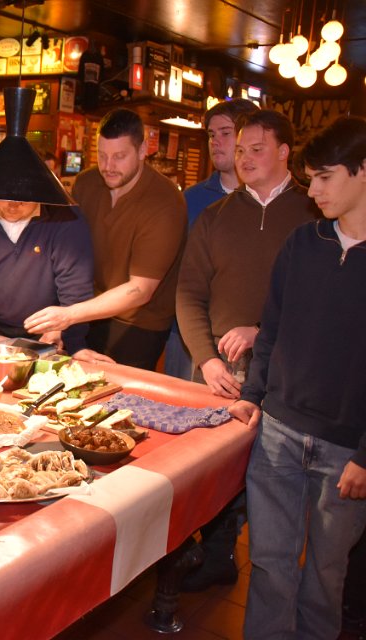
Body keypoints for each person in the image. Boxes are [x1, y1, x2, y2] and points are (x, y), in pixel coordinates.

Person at [229, 115, 366, 639]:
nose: (315, 190)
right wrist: (253, 396)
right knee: (270, 567)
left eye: (326, 177)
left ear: (362, 171)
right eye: (312, 179)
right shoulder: (302, 243)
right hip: (278, 433)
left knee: (326, 577)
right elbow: (271, 329)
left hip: (346, 450)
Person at [175, 109, 317, 592]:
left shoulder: (314, 214)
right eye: (240, 150)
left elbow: (318, 300)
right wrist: (207, 358)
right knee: (211, 467)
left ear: (284, 152)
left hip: (287, 366)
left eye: (258, 149)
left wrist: (260, 330)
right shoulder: (216, 215)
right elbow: (188, 294)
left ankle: (265, 574)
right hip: (220, 365)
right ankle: (214, 555)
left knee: (269, 473)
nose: (245, 158)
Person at [24, 108, 186, 370]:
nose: (108, 166)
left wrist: (68, 316)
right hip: (87, 310)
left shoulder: (165, 201)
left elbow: (140, 290)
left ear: (142, 151)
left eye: (119, 156)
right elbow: (69, 257)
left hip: (138, 323)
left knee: (122, 391)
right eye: (102, 155)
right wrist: (62, 320)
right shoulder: (86, 183)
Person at [164, 98, 258, 380]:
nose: (216, 142)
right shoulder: (190, 199)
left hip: (249, 336)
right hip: (187, 332)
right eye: (211, 135)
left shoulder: (266, 200)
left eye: (225, 133)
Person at [0, 199, 111, 363]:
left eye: (23, 200)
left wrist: (74, 342)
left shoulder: (66, 217)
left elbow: (75, 285)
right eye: (5, 198)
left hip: (46, 332)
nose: (13, 205)